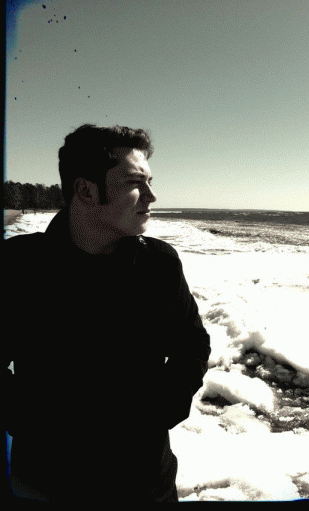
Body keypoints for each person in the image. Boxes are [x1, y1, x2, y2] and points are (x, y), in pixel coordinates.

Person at [4, 124, 211, 504]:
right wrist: (34, 423)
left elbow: (192, 343)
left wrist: (161, 411)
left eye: (149, 181)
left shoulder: (159, 264)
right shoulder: (18, 266)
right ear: (86, 190)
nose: (151, 196)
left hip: (146, 484)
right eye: (134, 182)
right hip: (46, 486)